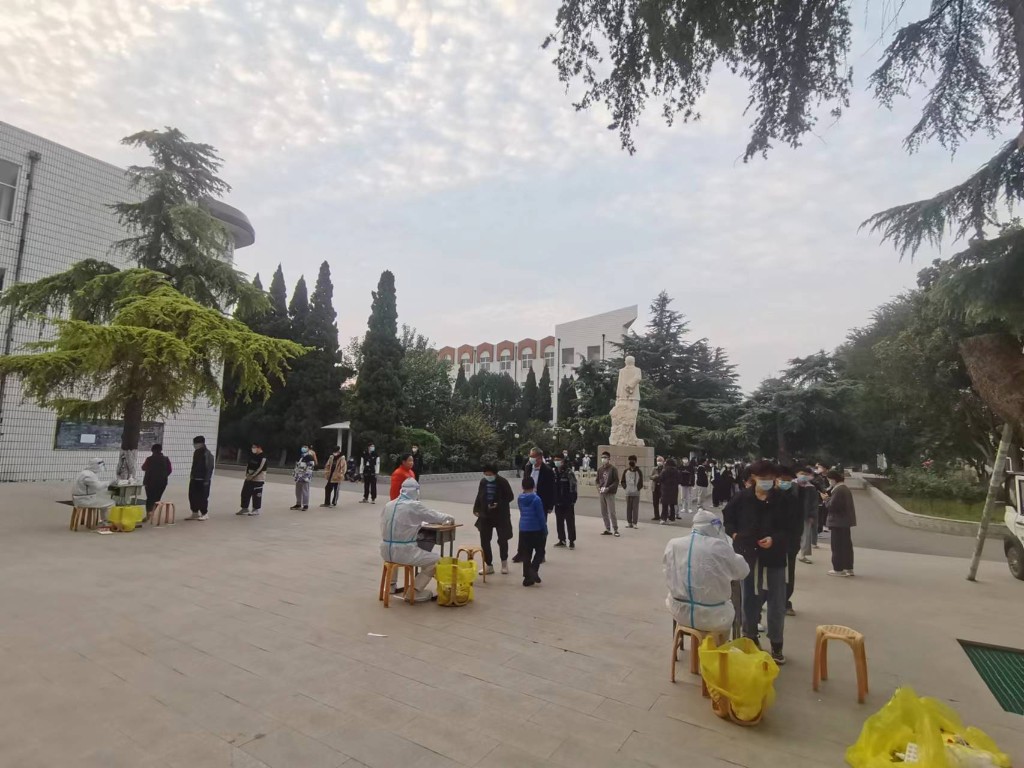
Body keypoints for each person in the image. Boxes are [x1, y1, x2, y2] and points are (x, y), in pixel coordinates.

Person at [723, 459, 790, 664]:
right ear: (753, 478)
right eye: (763, 478)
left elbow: (791, 527)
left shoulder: (783, 500)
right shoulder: (742, 498)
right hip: (749, 555)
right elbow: (728, 518)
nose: (767, 481)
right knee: (749, 599)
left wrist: (774, 539)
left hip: (774, 557)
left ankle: (776, 643)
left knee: (776, 602)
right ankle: (750, 637)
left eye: (770, 478)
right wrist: (734, 534)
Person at [664, 510, 751, 635]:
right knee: (731, 602)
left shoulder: (673, 544)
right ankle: (720, 645)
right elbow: (743, 571)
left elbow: (667, 571)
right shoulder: (720, 547)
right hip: (713, 617)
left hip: (680, 613)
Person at [380, 478, 455, 601]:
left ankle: (391, 586)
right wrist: (450, 518)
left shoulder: (389, 505)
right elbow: (434, 516)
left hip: (385, 551)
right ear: (416, 491)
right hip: (404, 552)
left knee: (397, 553)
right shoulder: (414, 505)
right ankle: (414, 592)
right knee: (435, 561)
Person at [514, 447, 556, 562]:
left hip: (541, 501)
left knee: (540, 528)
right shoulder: (528, 467)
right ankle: (521, 553)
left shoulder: (547, 471)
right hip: (527, 500)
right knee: (524, 526)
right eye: (530, 456)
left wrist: (550, 506)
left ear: (540, 458)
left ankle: (540, 553)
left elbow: (552, 489)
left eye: (533, 456)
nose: (531, 458)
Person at [473, 464, 515, 575]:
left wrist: (498, 504)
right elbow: (479, 495)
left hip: (500, 515)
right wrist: (476, 508)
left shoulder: (503, 482)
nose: (488, 476)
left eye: (490, 474)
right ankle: (489, 565)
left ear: (495, 474)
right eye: (486, 474)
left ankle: (504, 563)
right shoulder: (483, 482)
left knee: (502, 539)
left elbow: (510, 497)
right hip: (486, 515)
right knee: (485, 540)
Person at [777, 467, 807, 617]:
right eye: (782, 480)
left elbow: (798, 522)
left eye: (788, 480)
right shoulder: (768, 496)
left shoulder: (795, 497)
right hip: (768, 544)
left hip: (789, 543)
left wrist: (795, 542)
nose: (785, 482)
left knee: (788, 574)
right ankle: (763, 602)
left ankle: (785, 601)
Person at [824, 470, 857, 576]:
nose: (829, 482)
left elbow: (832, 506)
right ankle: (848, 568)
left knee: (837, 545)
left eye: (829, 480)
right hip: (845, 522)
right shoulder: (844, 489)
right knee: (846, 545)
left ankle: (838, 569)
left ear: (833, 479)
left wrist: (826, 499)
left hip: (838, 522)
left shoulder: (838, 490)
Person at [517, 476, 547, 586]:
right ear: (534, 486)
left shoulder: (520, 498)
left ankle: (527, 578)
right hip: (536, 528)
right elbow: (541, 516)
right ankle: (533, 569)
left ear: (522, 486)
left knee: (527, 553)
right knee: (540, 551)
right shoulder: (536, 499)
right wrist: (544, 529)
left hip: (524, 528)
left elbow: (522, 512)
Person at [72, 458, 114, 525]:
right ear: (96, 466)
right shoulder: (88, 475)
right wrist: (110, 482)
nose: (102, 468)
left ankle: (104, 520)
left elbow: (93, 486)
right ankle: (107, 522)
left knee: (103, 500)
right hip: (84, 500)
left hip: (80, 498)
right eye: (101, 466)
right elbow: (98, 486)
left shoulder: (84, 473)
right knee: (111, 503)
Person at [552, 453, 578, 548]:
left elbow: (573, 486)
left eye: (558, 460)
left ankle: (571, 541)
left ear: (563, 461)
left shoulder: (568, 472)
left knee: (570, 522)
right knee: (559, 522)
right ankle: (561, 540)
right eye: (555, 460)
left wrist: (573, 499)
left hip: (567, 502)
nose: (556, 462)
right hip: (558, 501)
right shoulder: (554, 472)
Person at [186, 436, 215, 521]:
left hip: (203, 480)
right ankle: (195, 512)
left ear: (201, 443)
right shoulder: (196, 452)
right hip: (194, 478)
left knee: (202, 497)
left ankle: (204, 513)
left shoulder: (207, 454)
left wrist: (206, 480)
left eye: (196, 443)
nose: (194, 445)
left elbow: (210, 468)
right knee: (192, 496)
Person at [141, 444, 172, 519]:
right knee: (157, 498)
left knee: (149, 498)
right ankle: (152, 511)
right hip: (162, 482)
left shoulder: (149, 459)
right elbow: (170, 470)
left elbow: (143, 467)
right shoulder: (166, 459)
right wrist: (163, 475)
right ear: (161, 450)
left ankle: (149, 512)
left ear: (152, 450)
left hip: (149, 482)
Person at [237, 443, 267, 516]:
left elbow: (260, 468)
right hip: (249, 478)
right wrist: (247, 474)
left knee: (257, 495)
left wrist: (252, 476)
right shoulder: (252, 456)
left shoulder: (263, 457)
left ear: (259, 448)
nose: (253, 449)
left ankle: (255, 509)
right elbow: (248, 465)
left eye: (254, 447)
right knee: (245, 493)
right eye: (252, 447)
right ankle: (244, 508)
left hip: (258, 479)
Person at [797, 466, 820, 563]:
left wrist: (812, 515)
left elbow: (814, 503)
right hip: (793, 514)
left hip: (806, 515)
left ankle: (802, 555)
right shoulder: (792, 485)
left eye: (806, 474)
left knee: (805, 535)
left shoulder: (811, 488)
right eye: (802, 474)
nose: (803, 476)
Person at [596, 450, 620, 536]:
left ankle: (615, 529)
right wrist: (598, 488)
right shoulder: (600, 469)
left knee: (612, 512)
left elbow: (616, 481)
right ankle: (607, 528)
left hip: (610, 493)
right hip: (602, 493)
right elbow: (597, 480)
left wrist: (608, 488)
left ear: (609, 458)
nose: (603, 459)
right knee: (604, 512)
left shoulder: (613, 469)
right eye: (602, 457)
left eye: (605, 457)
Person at [622, 455, 644, 529]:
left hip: (636, 493)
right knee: (628, 508)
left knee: (635, 508)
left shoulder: (639, 471)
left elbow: (641, 482)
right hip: (628, 493)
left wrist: (637, 488)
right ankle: (629, 523)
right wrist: (625, 487)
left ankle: (635, 523)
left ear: (635, 461)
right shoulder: (626, 471)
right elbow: (623, 481)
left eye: (633, 460)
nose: (631, 462)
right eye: (630, 460)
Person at [659, 458, 682, 524]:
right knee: (672, 505)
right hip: (674, 490)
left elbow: (660, 479)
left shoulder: (664, 470)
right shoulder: (677, 471)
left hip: (665, 489)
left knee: (665, 505)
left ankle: (664, 518)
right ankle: (672, 519)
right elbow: (679, 480)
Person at [650, 456, 665, 522]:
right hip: (655, 487)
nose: (659, 462)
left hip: (662, 487)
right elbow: (650, 476)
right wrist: (654, 477)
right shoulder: (654, 469)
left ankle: (663, 515)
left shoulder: (665, 469)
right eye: (658, 460)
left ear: (663, 461)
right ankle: (656, 516)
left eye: (660, 460)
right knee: (655, 502)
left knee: (664, 502)